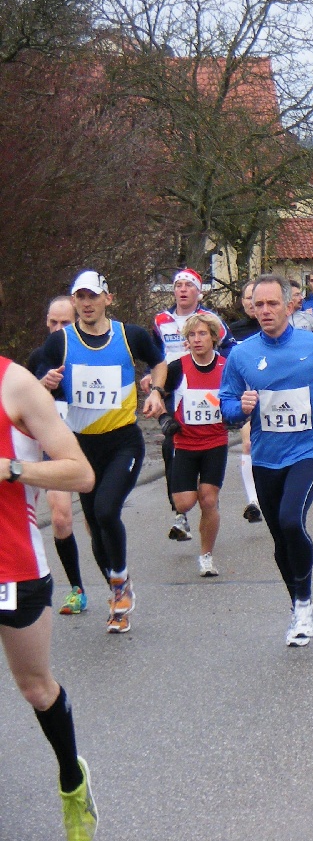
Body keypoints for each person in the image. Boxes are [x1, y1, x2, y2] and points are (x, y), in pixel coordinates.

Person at [0, 343, 99, 841]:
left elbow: (80, 473)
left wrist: (13, 469)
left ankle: (72, 781)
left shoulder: (15, 384)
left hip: (12, 568)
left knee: (36, 689)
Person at [219, 275, 313, 647]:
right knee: (279, 535)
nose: (264, 310)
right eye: (258, 304)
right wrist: (240, 408)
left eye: (272, 303)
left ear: (290, 304)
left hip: (307, 451)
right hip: (266, 456)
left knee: (292, 520)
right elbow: (226, 404)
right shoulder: (241, 354)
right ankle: (297, 605)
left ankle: (305, 603)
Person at [36, 270, 168, 634]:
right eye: (80, 297)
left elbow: (159, 362)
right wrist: (45, 382)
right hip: (81, 447)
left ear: (108, 299)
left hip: (123, 441)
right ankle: (117, 595)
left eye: (93, 296)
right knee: (95, 525)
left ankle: (120, 582)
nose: (87, 303)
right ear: (74, 301)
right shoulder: (60, 342)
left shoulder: (130, 335)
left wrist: (157, 391)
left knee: (107, 510)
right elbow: (35, 382)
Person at [152, 268, 230, 541]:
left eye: (188, 285)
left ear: (199, 292)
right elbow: (153, 355)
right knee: (169, 446)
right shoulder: (161, 320)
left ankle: (207, 494)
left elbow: (229, 348)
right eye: (178, 285)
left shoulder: (212, 320)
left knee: (207, 488)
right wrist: (151, 379)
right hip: (174, 384)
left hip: (206, 384)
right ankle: (180, 512)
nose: (183, 290)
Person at [157, 312, 231, 577]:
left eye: (202, 334)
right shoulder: (177, 367)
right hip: (185, 443)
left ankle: (206, 556)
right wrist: (164, 418)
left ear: (213, 337)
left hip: (215, 441)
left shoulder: (226, 366)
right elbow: (156, 396)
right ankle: (196, 496)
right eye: (191, 335)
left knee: (208, 500)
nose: (197, 340)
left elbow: (238, 397)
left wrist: (237, 414)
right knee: (184, 503)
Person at [28, 297, 88, 616]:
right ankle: (77, 589)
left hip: (92, 441)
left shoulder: (92, 353)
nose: (57, 328)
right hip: (56, 448)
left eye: (65, 323)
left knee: (97, 520)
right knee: (61, 517)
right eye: (53, 322)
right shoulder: (40, 357)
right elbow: (23, 402)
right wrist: (43, 385)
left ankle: (116, 578)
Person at [228, 282, 263, 524]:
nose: (252, 303)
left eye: (256, 298)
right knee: (248, 444)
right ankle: (253, 502)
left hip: (273, 397)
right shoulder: (232, 331)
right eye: (248, 298)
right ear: (242, 301)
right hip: (246, 398)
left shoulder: (274, 328)